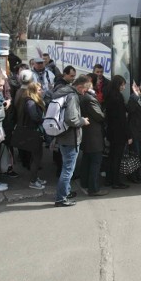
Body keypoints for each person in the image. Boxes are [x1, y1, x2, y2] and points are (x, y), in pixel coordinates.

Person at [52, 74, 91, 207]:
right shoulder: (73, 96)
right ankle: (61, 198)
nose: (85, 92)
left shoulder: (63, 92)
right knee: (68, 170)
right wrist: (83, 121)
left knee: (66, 166)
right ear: (79, 87)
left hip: (62, 135)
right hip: (70, 138)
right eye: (85, 89)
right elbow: (71, 119)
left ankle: (66, 192)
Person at [79, 75, 109, 196]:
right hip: (93, 136)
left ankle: (85, 184)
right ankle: (94, 188)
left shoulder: (83, 97)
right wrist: (104, 113)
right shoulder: (90, 99)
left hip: (87, 135)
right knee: (95, 162)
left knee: (87, 160)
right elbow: (99, 116)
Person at [15, 80, 47, 190]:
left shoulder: (29, 100)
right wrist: (44, 118)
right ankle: (33, 181)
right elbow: (36, 117)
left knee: (36, 157)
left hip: (32, 131)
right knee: (36, 158)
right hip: (33, 132)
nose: (41, 91)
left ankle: (35, 178)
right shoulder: (31, 102)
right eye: (39, 89)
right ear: (33, 91)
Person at [105, 75, 132, 189]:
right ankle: (116, 182)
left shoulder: (109, 95)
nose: (124, 87)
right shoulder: (118, 98)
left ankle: (109, 179)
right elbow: (122, 120)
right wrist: (128, 135)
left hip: (111, 131)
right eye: (122, 85)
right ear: (118, 85)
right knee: (117, 157)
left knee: (112, 156)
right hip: (119, 133)